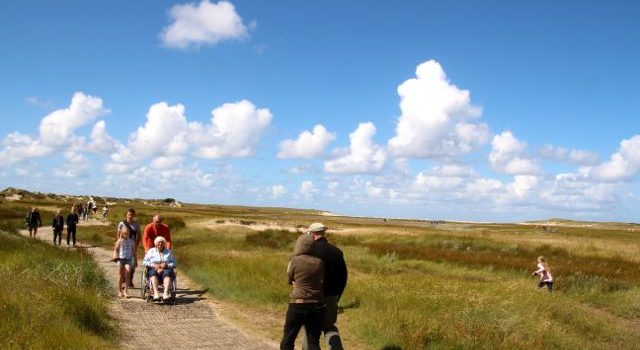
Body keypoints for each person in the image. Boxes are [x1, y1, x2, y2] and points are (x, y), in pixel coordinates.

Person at [302, 223, 348, 350]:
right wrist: (337, 296)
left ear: (312, 234)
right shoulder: (337, 252)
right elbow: (343, 277)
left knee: (310, 330)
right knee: (329, 328)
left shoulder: (308, 251)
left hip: (311, 298)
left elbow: (301, 276)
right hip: (331, 297)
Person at [280, 233, 325, 350]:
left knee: (288, 340)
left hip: (298, 303)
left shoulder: (295, 260)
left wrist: (295, 283)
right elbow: (322, 280)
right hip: (317, 304)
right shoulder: (320, 262)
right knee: (313, 341)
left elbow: (290, 278)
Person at [143, 236, 176, 301]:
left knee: (168, 273)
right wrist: (154, 265)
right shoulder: (151, 251)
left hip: (166, 269)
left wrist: (167, 265)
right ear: (155, 243)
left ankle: (165, 293)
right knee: (152, 273)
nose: (160, 243)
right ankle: (155, 293)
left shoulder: (168, 252)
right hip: (153, 269)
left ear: (164, 243)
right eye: (159, 242)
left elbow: (174, 263)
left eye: (162, 242)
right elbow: (144, 262)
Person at [117, 208, 141, 287]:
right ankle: (124, 278)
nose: (130, 216)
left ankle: (130, 279)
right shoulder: (121, 223)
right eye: (129, 214)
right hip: (123, 247)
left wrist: (136, 245)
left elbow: (139, 235)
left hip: (132, 246)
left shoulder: (136, 224)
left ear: (134, 215)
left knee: (133, 265)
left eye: (132, 215)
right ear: (126, 215)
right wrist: (118, 244)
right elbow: (118, 234)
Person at [113, 226, 136, 298]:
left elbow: (133, 252)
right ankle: (120, 291)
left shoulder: (131, 241)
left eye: (127, 234)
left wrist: (135, 260)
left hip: (128, 259)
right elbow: (116, 249)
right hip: (121, 259)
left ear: (129, 234)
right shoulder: (120, 241)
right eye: (124, 234)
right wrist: (115, 256)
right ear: (122, 234)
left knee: (128, 273)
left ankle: (126, 291)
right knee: (121, 276)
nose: (126, 235)